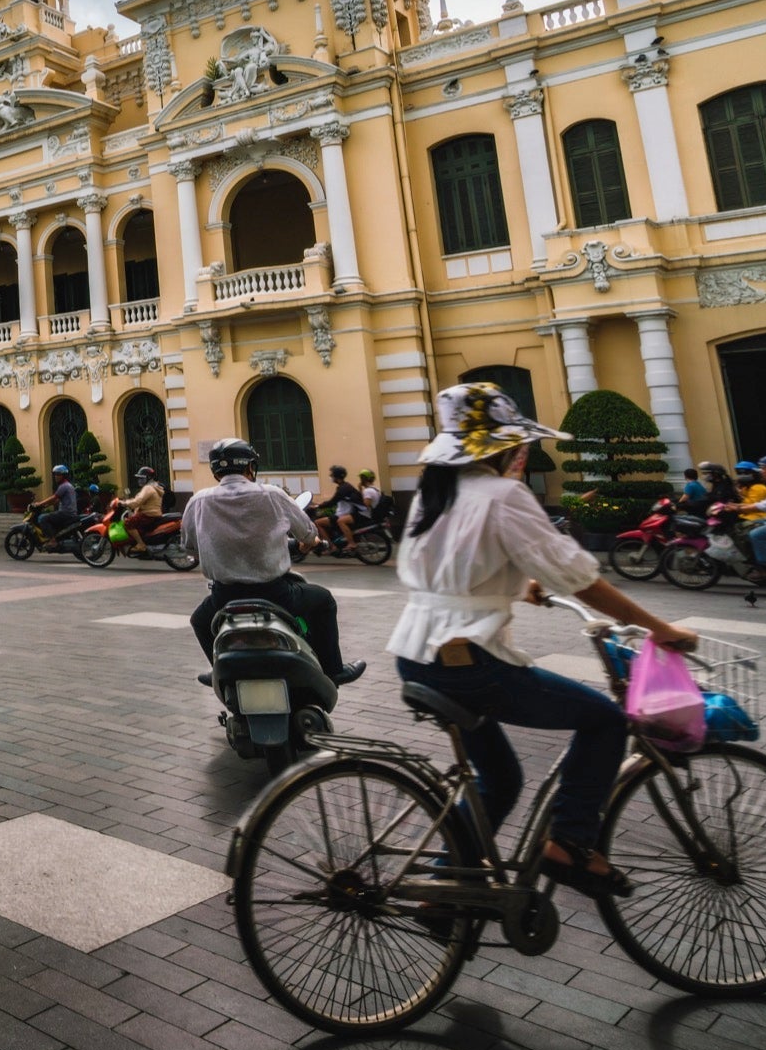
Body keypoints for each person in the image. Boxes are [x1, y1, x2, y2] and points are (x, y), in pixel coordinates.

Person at [389, 382, 698, 898]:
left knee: (501, 779)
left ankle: (450, 882)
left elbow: (456, 568)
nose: (524, 452)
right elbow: (581, 580)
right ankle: (572, 844)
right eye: (521, 444)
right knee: (604, 720)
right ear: (506, 446)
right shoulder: (504, 494)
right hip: (469, 663)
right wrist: (661, 630)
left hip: (418, 655)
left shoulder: (435, 492)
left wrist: (518, 582)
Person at [184, 438, 360, 683]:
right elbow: (309, 535)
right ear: (249, 468)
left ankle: (220, 672)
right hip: (276, 593)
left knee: (199, 621)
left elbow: (190, 547)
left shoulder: (198, 501)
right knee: (323, 601)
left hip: (224, 596)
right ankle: (334, 670)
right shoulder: (272, 494)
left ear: (215, 471)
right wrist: (307, 543)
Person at [315, 466, 368, 552]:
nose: (331, 477)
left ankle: (331, 547)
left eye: (332, 475)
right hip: (346, 513)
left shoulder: (343, 489)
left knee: (318, 523)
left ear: (336, 476)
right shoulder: (344, 486)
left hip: (348, 514)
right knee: (326, 517)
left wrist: (318, 506)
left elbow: (332, 502)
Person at [31, 464, 82, 549]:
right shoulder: (68, 485)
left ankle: (52, 540)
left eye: (58, 474)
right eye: (55, 474)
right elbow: (57, 500)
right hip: (69, 513)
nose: (56, 476)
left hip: (65, 513)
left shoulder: (64, 486)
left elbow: (54, 497)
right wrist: (45, 506)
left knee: (43, 518)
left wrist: (39, 504)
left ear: (64, 475)